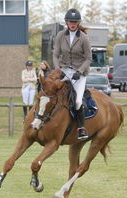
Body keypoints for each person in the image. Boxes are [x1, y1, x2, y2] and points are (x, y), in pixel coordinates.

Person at [53, 8, 92, 140]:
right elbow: (55, 54)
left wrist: (80, 71)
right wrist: (58, 69)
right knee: (52, 94)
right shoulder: (60, 35)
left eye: (75, 21)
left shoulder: (84, 38)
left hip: (79, 73)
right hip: (64, 70)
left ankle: (81, 128)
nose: (72, 23)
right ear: (66, 22)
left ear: (78, 22)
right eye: (70, 21)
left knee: (76, 101)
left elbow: (88, 58)